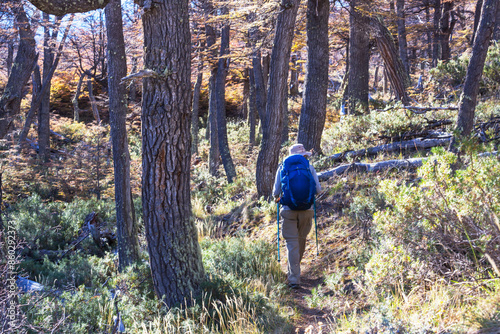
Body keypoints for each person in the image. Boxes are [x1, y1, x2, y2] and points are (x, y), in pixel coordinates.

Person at [273, 143, 321, 289]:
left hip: (288, 210)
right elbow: (318, 190)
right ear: (303, 155)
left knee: (291, 243)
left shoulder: (282, 167)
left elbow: (276, 192)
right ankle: (295, 269)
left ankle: (294, 277)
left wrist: (279, 197)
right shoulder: (308, 167)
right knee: (301, 240)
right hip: (307, 210)